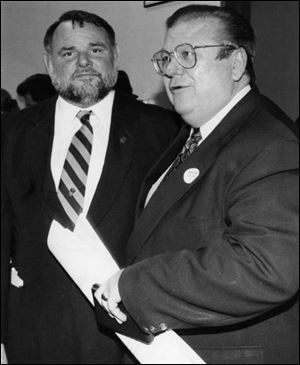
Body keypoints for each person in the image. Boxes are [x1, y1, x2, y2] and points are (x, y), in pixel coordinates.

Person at [95, 5, 299, 364]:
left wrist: (136, 285)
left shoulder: (269, 143)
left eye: (187, 54)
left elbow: (266, 265)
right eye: (165, 58)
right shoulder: (194, 136)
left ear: (235, 63)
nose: (171, 69)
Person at [1, 10, 183, 364]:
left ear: (114, 57)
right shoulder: (12, 133)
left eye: (96, 51)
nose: (83, 62)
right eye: (68, 53)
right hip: (33, 333)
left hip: (128, 338)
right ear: (49, 63)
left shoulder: (163, 131)